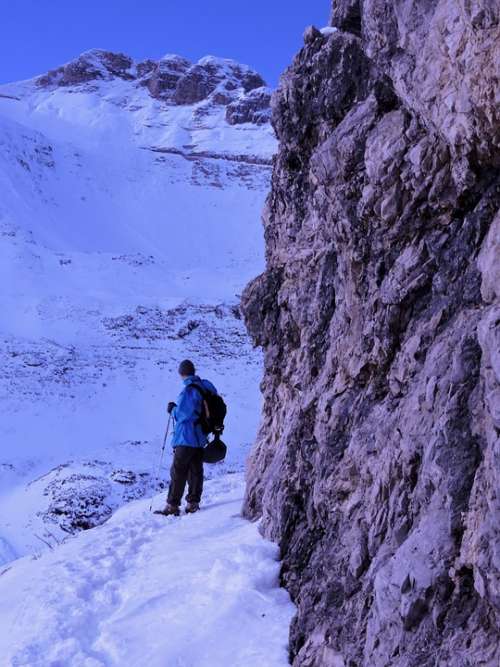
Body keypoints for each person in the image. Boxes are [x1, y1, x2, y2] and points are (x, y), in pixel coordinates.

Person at [157, 359, 217, 516]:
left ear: (181, 373)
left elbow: (184, 414)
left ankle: (172, 506)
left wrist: (173, 410)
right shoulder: (205, 387)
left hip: (186, 437)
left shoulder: (189, 390)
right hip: (200, 437)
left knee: (178, 470)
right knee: (196, 470)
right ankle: (193, 503)